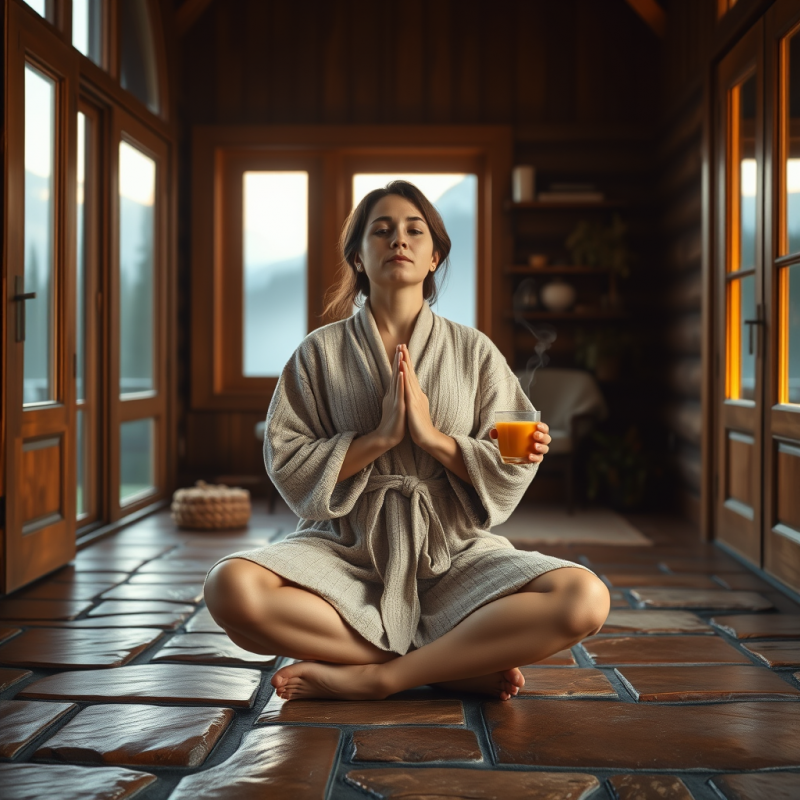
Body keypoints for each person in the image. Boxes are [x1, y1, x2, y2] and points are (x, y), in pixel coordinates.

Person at [203, 180, 610, 702]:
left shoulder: (474, 351)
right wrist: (379, 438)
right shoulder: (317, 353)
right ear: (357, 256)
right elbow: (286, 457)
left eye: (415, 230)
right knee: (230, 589)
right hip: (346, 549)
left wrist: (434, 439)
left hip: (453, 551)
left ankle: (383, 677)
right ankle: (449, 664)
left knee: (584, 598)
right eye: (382, 230)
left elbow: (510, 459)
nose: (399, 239)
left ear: (435, 255)